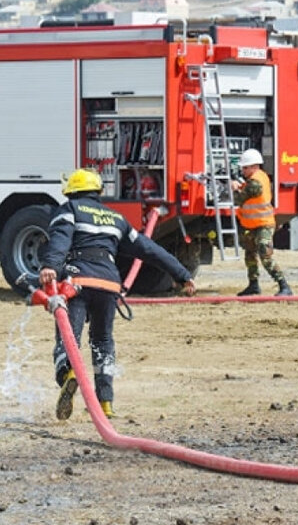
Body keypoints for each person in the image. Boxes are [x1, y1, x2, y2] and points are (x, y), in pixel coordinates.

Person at [39, 168, 196, 420]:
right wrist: (182, 274)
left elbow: (60, 240)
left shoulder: (69, 210)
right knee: (102, 341)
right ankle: (105, 402)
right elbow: (149, 249)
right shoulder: (115, 218)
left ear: (71, 191)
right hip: (109, 286)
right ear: (97, 191)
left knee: (68, 337)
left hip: (76, 282)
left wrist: (50, 266)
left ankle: (68, 374)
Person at [231, 148, 293, 297]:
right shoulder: (257, 179)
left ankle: (284, 286)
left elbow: (239, 199)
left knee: (265, 256)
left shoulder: (255, 182)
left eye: (245, 167)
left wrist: (234, 189)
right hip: (252, 225)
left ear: (255, 166)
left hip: (263, 225)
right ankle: (253, 285)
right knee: (250, 256)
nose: (243, 170)